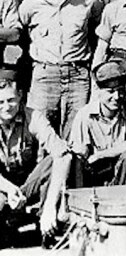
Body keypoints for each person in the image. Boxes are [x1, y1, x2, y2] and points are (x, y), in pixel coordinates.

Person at [18, 0, 103, 136]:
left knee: (76, 134)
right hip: (44, 75)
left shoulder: (90, 1)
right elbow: (21, 34)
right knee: (40, 135)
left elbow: (99, 33)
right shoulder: (31, 5)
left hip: (78, 76)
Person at [0, 71, 71, 243]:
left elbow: (63, 155)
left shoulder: (34, 117)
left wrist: (50, 207)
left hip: (27, 185)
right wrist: (9, 189)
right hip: (3, 187)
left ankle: (45, 223)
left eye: (11, 100)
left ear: (21, 96)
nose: (6, 107)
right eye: (0, 102)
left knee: (52, 162)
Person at [69, 60, 126, 187]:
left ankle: (124, 199)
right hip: (94, 176)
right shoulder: (85, 115)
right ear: (98, 91)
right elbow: (80, 154)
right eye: (110, 91)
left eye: (120, 90)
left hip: (122, 173)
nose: (116, 96)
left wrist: (101, 155)